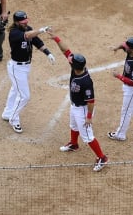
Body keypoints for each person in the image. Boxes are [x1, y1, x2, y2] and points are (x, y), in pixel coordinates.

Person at [46, 29, 109, 172]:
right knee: (73, 126)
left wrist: (88, 118)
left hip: (84, 109)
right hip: (75, 106)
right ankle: (74, 144)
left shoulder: (86, 81)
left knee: (87, 136)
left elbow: (91, 101)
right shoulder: (76, 68)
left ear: (75, 66)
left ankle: (102, 158)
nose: (69, 59)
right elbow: (66, 51)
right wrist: (56, 38)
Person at [1, 10, 55, 133]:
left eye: (26, 21)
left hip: (25, 67)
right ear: (16, 22)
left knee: (15, 90)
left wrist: (48, 53)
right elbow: (27, 36)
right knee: (24, 96)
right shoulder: (14, 33)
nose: (25, 24)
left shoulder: (28, 29)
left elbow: (37, 42)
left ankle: (7, 112)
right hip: (16, 68)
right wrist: (41, 30)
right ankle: (13, 119)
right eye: (23, 22)